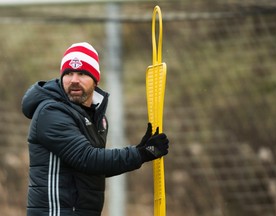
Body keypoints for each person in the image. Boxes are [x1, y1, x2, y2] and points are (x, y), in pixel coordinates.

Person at [21, 42, 169, 216]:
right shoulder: (51, 112)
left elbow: (94, 169)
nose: (74, 80)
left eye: (82, 73)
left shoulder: (96, 118)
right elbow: (87, 158)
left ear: (95, 79)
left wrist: (139, 151)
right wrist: (141, 154)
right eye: (68, 73)